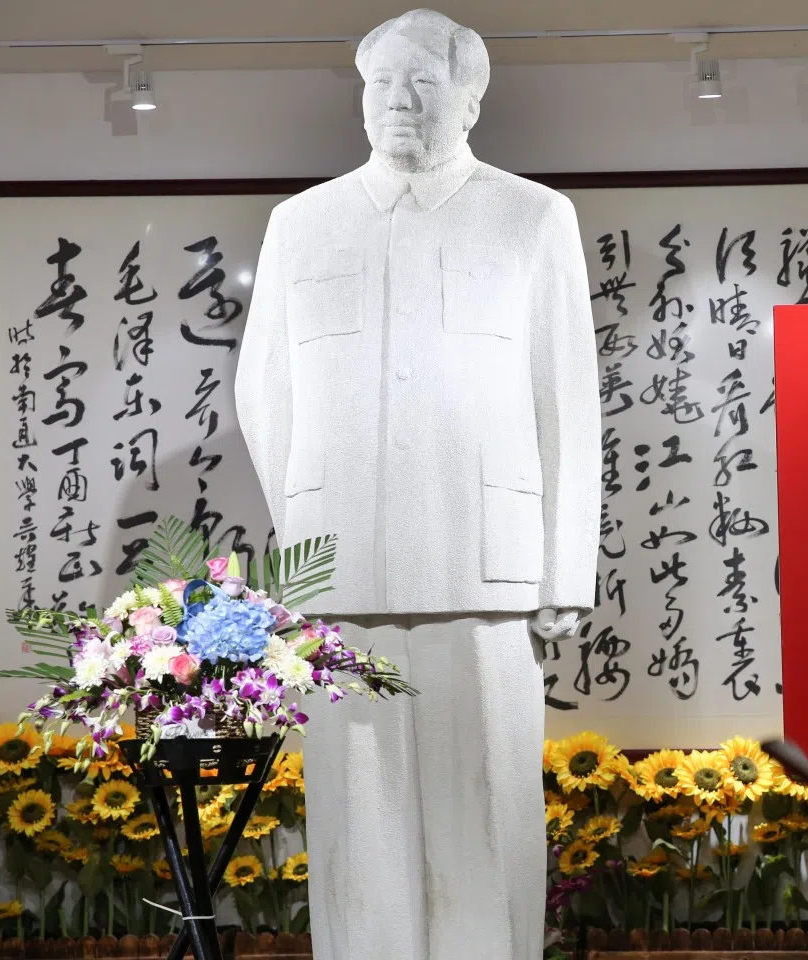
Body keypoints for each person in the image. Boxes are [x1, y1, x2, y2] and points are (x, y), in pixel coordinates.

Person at [235, 8, 598, 960]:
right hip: (344, 575)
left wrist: (565, 568)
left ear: (472, 100)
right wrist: (311, 528)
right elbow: (264, 390)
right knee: (359, 831)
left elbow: (565, 395)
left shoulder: (531, 217)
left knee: (485, 814)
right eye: (380, 83)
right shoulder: (301, 225)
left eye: (424, 84)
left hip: (488, 571)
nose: (398, 101)